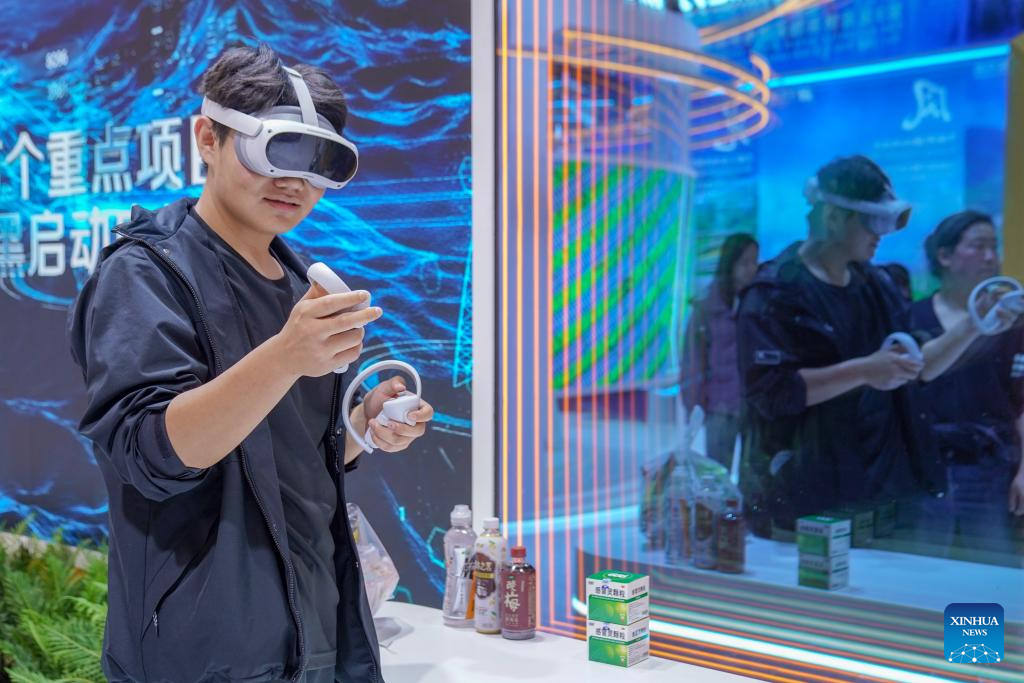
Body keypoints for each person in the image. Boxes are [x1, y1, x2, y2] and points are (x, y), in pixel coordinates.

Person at [67, 44, 434, 683]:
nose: (295, 182)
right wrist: (286, 357)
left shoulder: (298, 284)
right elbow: (154, 456)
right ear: (207, 138)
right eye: (275, 151)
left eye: (319, 163)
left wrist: (363, 427)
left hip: (317, 628)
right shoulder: (145, 274)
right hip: (204, 649)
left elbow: (291, 452)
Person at [735, 155, 1018, 537]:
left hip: (885, 494)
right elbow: (773, 393)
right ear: (834, 217)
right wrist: (866, 370)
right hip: (806, 499)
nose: (882, 234)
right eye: (874, 221)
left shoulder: (876, 286)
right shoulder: (774, 293)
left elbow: (917, 367)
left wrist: (973, 323)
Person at [911, 210, 1024, 561]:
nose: (990, 257)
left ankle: (977, 615)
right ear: (944, 256)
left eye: (994, 247)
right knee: (921, 569)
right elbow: (914, 378)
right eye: (978, 246)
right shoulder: (913, 317)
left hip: (991, 469)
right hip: (925, 469)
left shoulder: (1015, 324)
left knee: (991, 570)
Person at [681, 233, 759, 468]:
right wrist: (694, 406)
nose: (751, 269)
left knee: (753, 473)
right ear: (730, 263)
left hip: (753, 405)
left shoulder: (760, 302)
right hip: (720, 407)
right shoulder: (707, 307)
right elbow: (693, 361)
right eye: (744, 262)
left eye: (754, 261)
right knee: (717, 471)